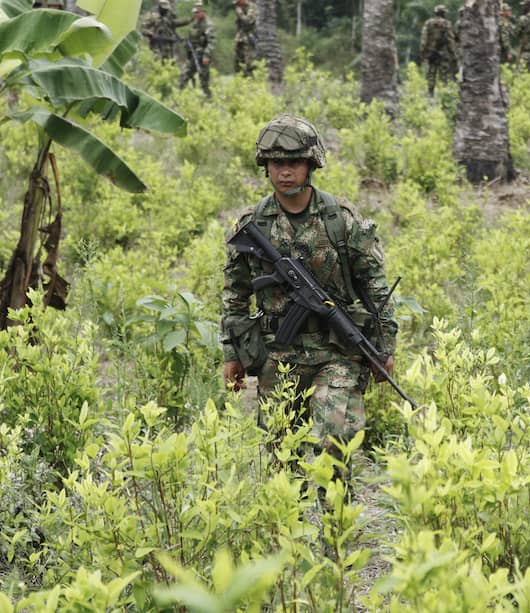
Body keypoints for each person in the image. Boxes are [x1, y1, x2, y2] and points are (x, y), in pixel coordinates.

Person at [222, 115, 398, 497]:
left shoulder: (341, 220)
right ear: (265, 166)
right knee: (281, 461)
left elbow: (375, 286)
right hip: (278, 355)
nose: (284, 172)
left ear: (311, 165)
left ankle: (335, 535)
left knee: (336, 440)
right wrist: (231, 353)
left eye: (294, 163)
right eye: (276, 163)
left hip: (337, 351)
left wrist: (384, 348)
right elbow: (235, 294)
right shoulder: (254, 224)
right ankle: (291, 544)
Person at [177, 3, 215, 98]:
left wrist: (206, 55)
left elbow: (212, 42)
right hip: (193, 55)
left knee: (204, 80)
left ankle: (208, 99)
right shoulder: (196, 23)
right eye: (194, 13)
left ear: (203, 12)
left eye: (197, 12)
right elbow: (192, 38)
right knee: (184, 74)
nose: (195, 14)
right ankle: (178, 97)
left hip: (203, 57)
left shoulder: (208, 25)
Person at [420, 4, 458, 96]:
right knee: (443, 74)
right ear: (444, 13)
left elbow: (424, 39)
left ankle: (430, 93)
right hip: (443, 52)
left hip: (431, 52)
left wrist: (423, 52)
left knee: (431, 73)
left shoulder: (428, 23)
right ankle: (444, 93)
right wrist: (453, 54)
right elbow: (450, 40)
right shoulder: (447, 24)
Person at [234, 0, 259, 77]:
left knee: (249, 64)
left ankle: (251, 83)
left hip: (249, 39)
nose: (237, 5)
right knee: (238, 63)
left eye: (238, 3)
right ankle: (240, 82)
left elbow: (248, 21)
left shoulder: (252, 7)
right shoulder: (241, 8)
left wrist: (240, 13)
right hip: (240, 39)